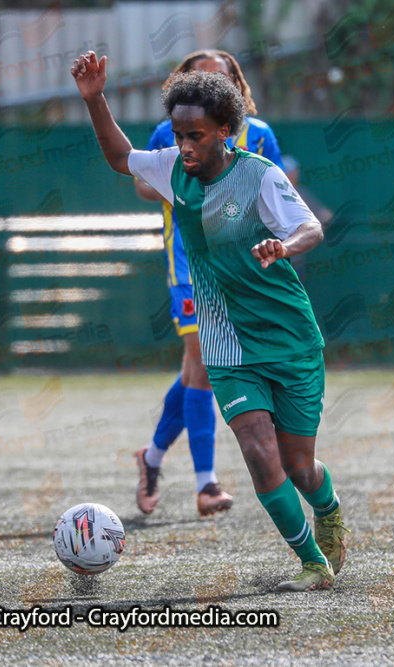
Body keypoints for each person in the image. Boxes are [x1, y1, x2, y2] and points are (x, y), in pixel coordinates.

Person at [72, 52, 350, 591]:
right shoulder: (174, 170)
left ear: (226, 130)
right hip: (227, 344)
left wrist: (283, 245)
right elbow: (120, 156)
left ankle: (329, 507)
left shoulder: (260, 176)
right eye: (178, 135)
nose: (184, 146)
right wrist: (94, 99)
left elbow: (311, 228)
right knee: (256, 450)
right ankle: (313, 562)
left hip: (289, 337)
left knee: (299, 467)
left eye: (196, 135)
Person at [132, 50, 284, 519]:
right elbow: (141, 180)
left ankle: (152, 457)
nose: (210, 86)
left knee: (201, 370)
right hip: (190, 265)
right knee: (202, 358)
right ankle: (206, 484)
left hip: (242, 270)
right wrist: (177, 179)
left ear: (236, 85)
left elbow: (279, 196)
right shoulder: (173, 131)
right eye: (199, 78)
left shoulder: (259, 137)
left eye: (220, 79)